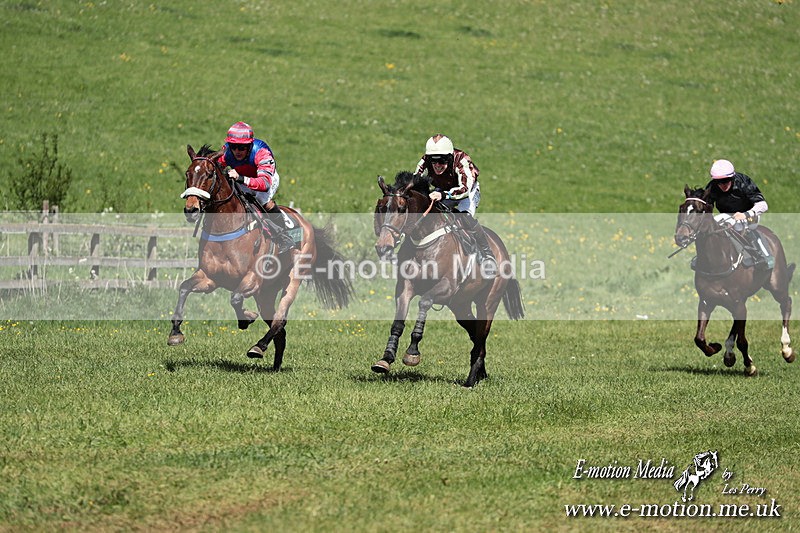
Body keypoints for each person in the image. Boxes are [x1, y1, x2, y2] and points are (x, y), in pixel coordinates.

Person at [415, 134, 497, 277]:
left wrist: (444, 195)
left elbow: (464, 189)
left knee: (464, 217)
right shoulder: (424, 161)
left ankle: (487, 255)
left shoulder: (462, 160)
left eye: (442, 160)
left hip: (467, 192)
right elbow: (415, 181)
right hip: (442, 188)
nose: (437, 165)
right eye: (433, 161)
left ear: (450, 157)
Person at [218, 121, 296, 253]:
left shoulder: (262, 152)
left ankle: (285, 237)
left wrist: (241, 178)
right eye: (233, 146)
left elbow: (264, 184)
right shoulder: (226, 152)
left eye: (241, 147)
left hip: (264, 179)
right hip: (241, 177)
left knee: (262, 201)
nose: (237, 151)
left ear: (249, 146)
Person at [704, 159, 771, 268]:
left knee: (739, 224)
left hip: (751, 216)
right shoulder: (712, 187)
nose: (722, 185)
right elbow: (706, 207)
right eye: (719, 182)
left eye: (726, 180)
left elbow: (763, 205)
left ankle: (761, 256)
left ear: (732, 177)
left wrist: (745, 214)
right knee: (713, 227)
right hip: (727, 216)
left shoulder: (743, 182)